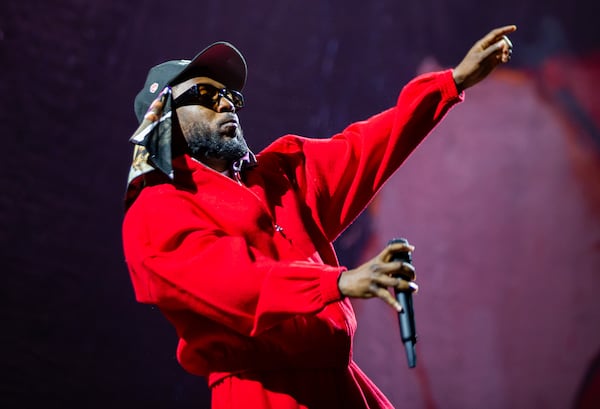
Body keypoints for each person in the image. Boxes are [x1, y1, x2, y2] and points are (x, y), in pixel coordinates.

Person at [122, 25, 516, 408]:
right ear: (165, 118)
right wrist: (336, 283)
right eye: (206, 95)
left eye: (230, 96)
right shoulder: (157, 209)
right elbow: (232, 279)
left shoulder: (278, 174)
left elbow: (362, 149)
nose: (227, 102)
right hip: (264, 392)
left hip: (339, 383)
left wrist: (451, 84)